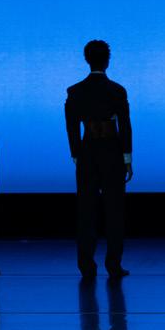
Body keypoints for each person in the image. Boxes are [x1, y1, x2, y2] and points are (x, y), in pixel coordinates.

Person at [65, 40, 133, 278]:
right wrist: (127, 157)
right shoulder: (117, 90)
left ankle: (86, 264)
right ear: (107, 60)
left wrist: (76, 154)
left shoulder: (75, 91)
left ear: (87, 59)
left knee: (86, 210)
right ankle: (113, 264)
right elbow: (125, 126)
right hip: (112, 151)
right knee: (114, 210)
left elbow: (72, 127)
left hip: (87, 151)